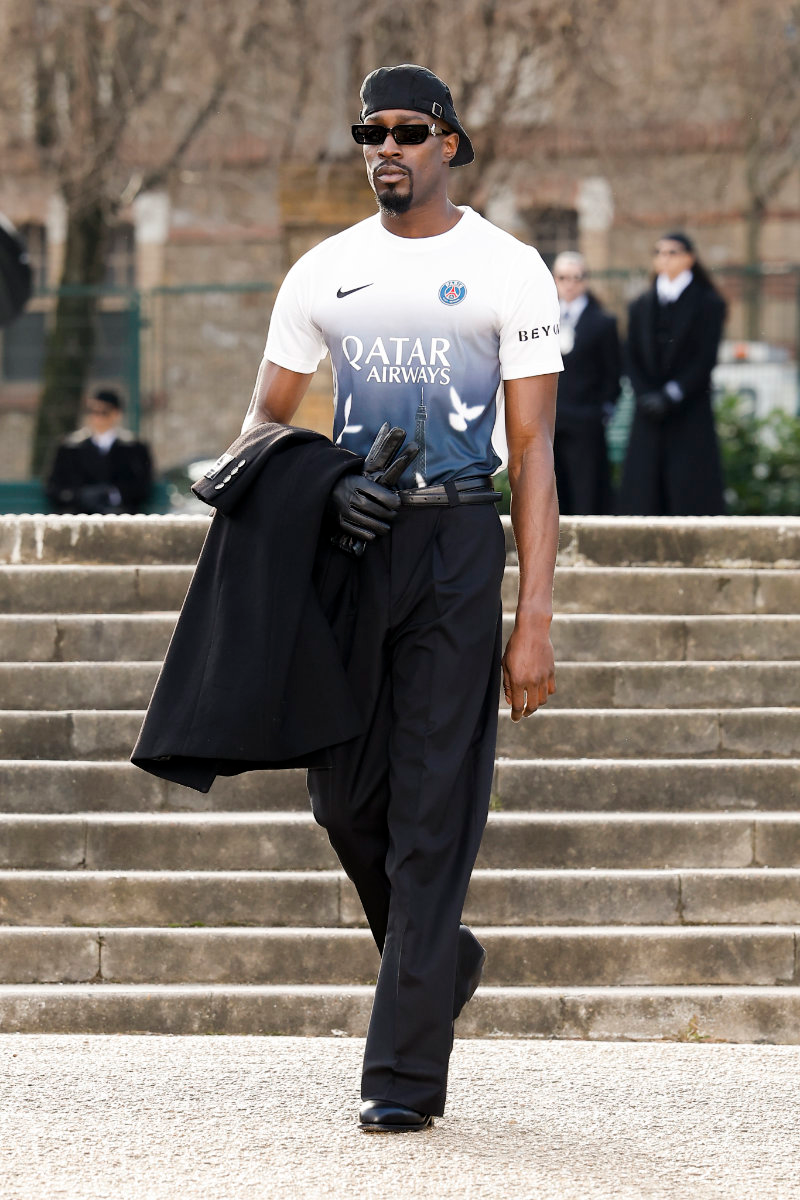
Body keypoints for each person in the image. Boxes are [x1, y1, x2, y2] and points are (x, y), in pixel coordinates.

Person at [241, 63, 562, 1132]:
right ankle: (441, 963)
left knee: (433, 810)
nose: (386, 146)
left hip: (458, 547)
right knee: (341, 801)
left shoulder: (508, 268)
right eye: (370, 131)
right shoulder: (323, 271)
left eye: (408, 130)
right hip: (353, 546)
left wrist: (533, 618)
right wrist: (327, 487)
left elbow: (533, 450)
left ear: (449, 144)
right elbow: (264, 427)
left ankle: (402, 1078)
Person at [618, 232, 727, 515]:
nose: (664, 259)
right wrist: (645, 395)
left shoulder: (709, 304)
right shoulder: (640, 305)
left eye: (672, 252)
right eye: (659, 253)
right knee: (644, 493)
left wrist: (671, 395)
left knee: (689, 491)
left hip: (689, 410)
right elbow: (631, 355)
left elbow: (705, 359)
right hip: (648, 412)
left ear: (689, 258)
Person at [552, 251, 620, 513]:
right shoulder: (542, 318)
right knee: (553, 489)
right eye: (563, 277)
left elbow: (613, 372)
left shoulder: (602, 322)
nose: (570, 284)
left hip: (585, 419)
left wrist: (601, 409)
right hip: (550, 419)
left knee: (587, 490)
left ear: (585, 280)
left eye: (576, 277)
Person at [45, 388, 153, 514]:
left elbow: (142, 486)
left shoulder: (134, 447)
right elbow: (54, 487)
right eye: (93, 411)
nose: (97, 417)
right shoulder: (69, 446)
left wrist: (113, 495)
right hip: (78, 514)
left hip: (119, 515)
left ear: (117, 414)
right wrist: (81, 496)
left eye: (104, 412)